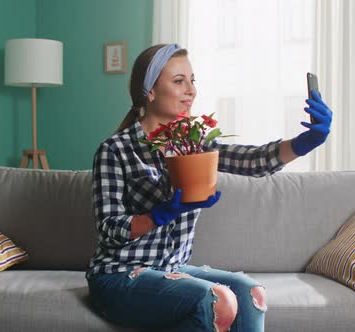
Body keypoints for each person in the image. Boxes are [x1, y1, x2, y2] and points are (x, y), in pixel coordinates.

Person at [86, 43, 333, 332]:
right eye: (179, 81)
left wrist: (305, 142)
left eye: (192, 81)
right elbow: (109, 228)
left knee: (251, 293)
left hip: (169, 271)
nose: (191, 90)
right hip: (118, 275)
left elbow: (252, 160)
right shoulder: (115, 150)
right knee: (219, 299)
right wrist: (159, 215)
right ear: (149, 91)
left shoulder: (193, 146)